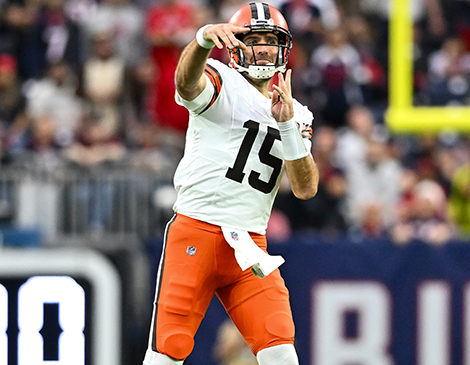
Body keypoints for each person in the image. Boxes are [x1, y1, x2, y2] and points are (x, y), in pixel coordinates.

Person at [142, 3, 319, 365]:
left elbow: (305, 188)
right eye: (254, 39)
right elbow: (186, 84)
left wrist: (286, 127)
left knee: (281, 351)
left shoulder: (296, 112)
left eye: (272, 40)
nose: (265, 48)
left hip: (249, 244)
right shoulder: (222, 80)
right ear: (235, 45)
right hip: (196, 231)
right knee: (168, 351)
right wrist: (202, 39)